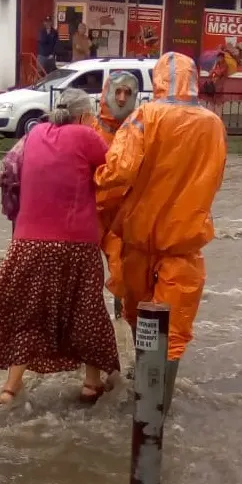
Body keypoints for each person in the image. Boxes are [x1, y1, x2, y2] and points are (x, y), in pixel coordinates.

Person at [0, 88, 120, 407]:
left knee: (29, 313)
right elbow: (116, 171)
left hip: (27, 242)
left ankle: (10, 388)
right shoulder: (86, 137)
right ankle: (91, 384)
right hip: (75, 242)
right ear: (82, 115)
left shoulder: (33, 136)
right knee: (86, 309)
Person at [95, 52, 227, 415]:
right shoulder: (213, 124)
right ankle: (158, 415)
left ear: (158, 80)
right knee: (173, 334)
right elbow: (215, 178)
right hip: (185, 248)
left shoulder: (144, 117)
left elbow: (119, 172)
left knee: (143, 325)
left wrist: (91, 191)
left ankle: (143, 404)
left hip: (139, 245)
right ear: (194, 80)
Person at [90, 71, 139, 319]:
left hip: (119, 216)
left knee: (122, 274)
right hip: (89, 214)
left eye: (127, 93)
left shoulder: (136, 131)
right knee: (82, 276)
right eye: (117, 91)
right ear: (107, 93)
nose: (121, 98)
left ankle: (121, 325)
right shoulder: (89, 127)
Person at [205, 51, 229, 116]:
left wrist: (214, 70)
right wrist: (213, 71)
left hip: (219, 87)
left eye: (220, 57)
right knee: (211, 104)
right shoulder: (216, 65)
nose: (219, 59)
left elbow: (220, 73)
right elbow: (210, 75)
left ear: (223, 58)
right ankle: (211, 118)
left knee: (218, 105)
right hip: (213, 87)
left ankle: (218, 119)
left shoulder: (225, 65)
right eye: (218, 57)